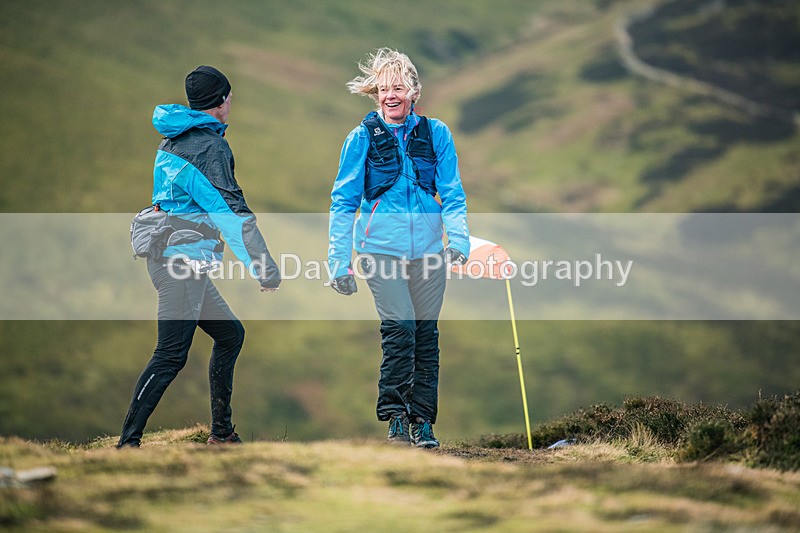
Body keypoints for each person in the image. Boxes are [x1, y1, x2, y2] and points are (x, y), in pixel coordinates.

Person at [117, 65, 281, 448]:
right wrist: (264, 267)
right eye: (229, 97)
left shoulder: (172, 139)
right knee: (170, 355)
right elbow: (231, 212)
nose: (231, 102)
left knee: (230, 335)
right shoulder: (211, 147)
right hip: (181, 265)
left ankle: (221, 432)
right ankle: (128, 443)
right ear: (222, 101)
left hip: (172, 258)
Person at [328, 48, 470, 448]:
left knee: (426, 336)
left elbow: (453, 195)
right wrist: (339, 262)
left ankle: (422, 422)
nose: (391, 95)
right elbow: (343, 202)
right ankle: (395, 418)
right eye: (384, 88)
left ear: (413, 91)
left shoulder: (436, 133)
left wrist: (457, 241)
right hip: (379, 252)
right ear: (376, 94)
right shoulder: (360, 139)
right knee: (401, 328)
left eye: (399, 87)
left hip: (429, 253)